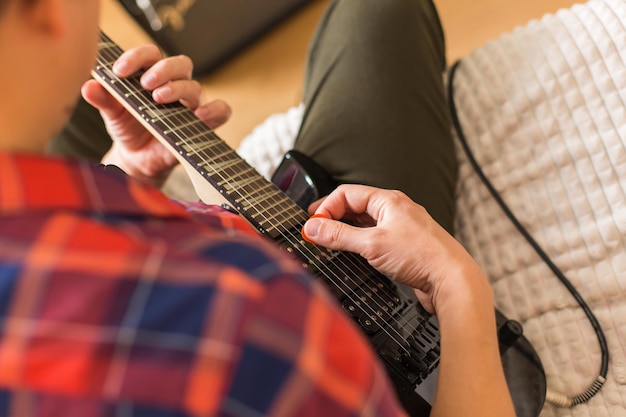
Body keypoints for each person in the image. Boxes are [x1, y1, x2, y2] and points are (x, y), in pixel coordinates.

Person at [0, 1, 515, 417]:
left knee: (81, 114)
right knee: (380, 10)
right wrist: (456, 282)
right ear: (50, 11)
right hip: (355, 312)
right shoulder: (254, 313)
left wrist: (129, 169)